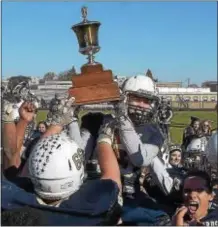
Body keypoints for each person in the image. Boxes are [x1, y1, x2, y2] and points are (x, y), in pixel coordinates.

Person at [2, 97, 121, 225]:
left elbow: (16, 171)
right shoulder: (95, 208)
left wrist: (54, 124)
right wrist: (104, 138)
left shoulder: (11, 200)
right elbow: (113, 178)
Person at [96, 74, 172, 225]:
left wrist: (122, 119)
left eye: (147, 101)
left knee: (161, 219)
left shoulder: (154, 131)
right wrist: (71, 116)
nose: (142, 105)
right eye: (137, 98)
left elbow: (140, 158)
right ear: (124, 98)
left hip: (129, 194)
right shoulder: (102, 120)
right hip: (98, 190)